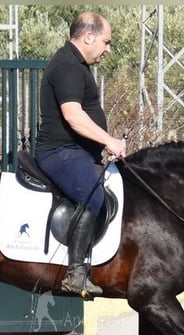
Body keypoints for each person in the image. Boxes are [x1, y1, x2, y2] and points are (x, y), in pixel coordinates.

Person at [35, 11, 127, 300]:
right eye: (106, 42)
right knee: (93, 195)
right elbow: (73, 116)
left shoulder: (75, 64)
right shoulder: (68, 66)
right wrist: (108, 140)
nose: (108, 49)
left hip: (74, 152)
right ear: (88, 36)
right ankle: (76, 273)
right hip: (59, 153)